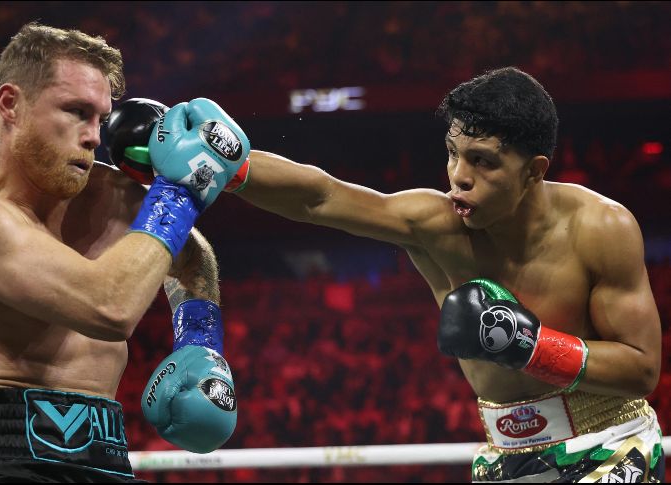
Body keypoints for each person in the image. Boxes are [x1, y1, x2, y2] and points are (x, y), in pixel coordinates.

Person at [112, 66, 664, 482]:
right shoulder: (437, 225)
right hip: (505, 453)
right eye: (453, 154)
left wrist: (528, 346)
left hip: (612, 443)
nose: (458, 177)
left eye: (483, 162)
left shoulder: (602, 228)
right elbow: (320, 197)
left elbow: (641, 370)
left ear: (535, 171)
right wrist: (226, 159)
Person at [0, 22, 247, 482]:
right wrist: (179, 191)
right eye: (76, 112)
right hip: (2, 464)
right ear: (10, 104)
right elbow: (108, 307)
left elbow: (189, 254)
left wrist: (199, 339)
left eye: (100, 118)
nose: (94, 135)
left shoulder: (107, 193)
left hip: (110, 461)